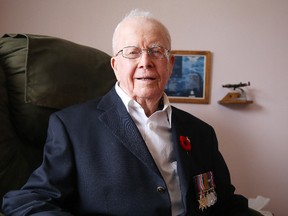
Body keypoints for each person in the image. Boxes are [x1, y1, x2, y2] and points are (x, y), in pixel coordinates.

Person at [2, 9, 257, 216]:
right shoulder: (71, 127)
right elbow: (27, 200)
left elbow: (224, 203)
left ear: (170, 65)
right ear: (115, 65)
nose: (145, 61)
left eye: (157, 51)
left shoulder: (201, 133)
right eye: (132, 52)